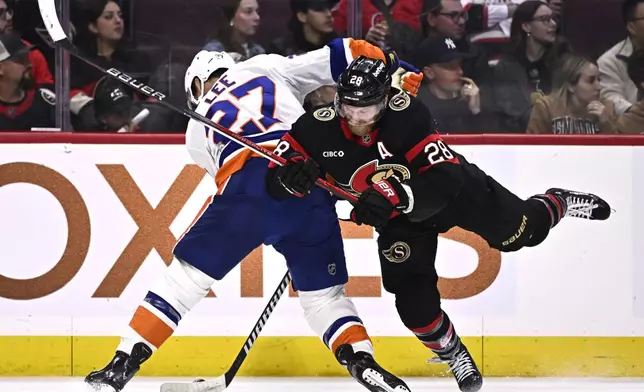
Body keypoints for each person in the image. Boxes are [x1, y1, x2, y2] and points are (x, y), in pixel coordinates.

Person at [84, 39, 423, 392]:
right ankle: (359, 359)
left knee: (185, 281)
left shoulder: (193, 134)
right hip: (312, 185)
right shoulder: (263, 66)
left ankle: (121, 364)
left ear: (197, 87)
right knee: (324, 296)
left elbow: (237, 183)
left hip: (249, 187)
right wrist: (397, 65)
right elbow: (346, 51)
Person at [265, 56, 612, 392]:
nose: (355, 118)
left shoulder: (407, 115)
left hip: (455, 193)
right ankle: (453, 352)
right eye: (348, 107)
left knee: (523, 233)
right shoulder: (317, 127)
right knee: (415, 308)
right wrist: (288, 178)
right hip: (401, 223)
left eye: (365, 109)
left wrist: (392, 196)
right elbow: (277, 173)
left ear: (385, 101)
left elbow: (444, 178)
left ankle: (556, 201)